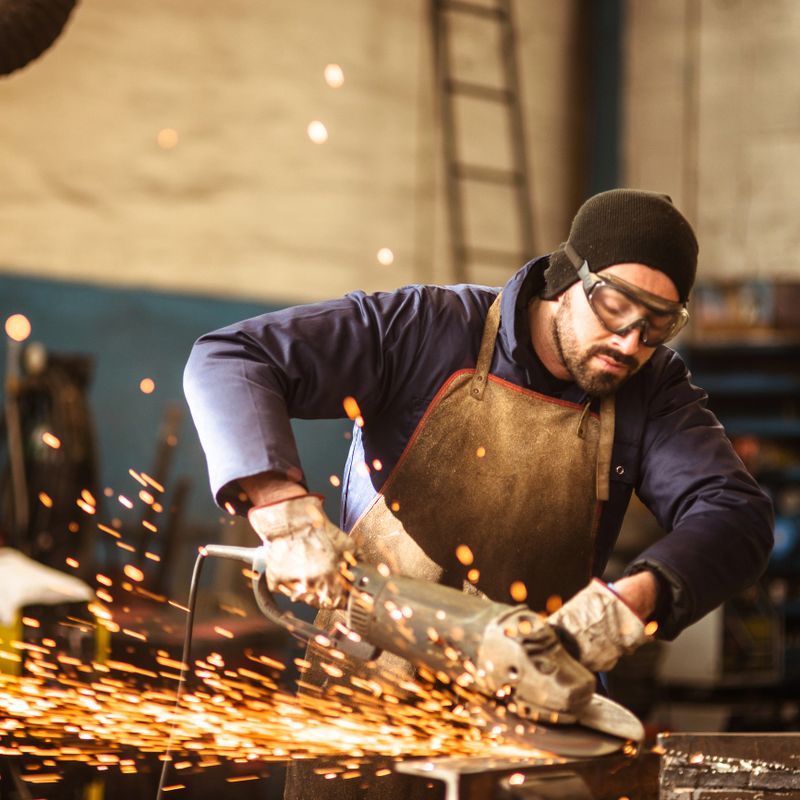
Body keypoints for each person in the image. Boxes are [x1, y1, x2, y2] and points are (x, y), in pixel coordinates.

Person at [184, 189, 773, 798]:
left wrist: (627, 605)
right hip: (366, 706)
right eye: (614, 307)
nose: (629, 343)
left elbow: (736, 514)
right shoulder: (425, 329)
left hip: (532, 714)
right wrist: (283, 511)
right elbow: (232, 356)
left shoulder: (653, 390)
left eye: (657, 326)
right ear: (566, 277)